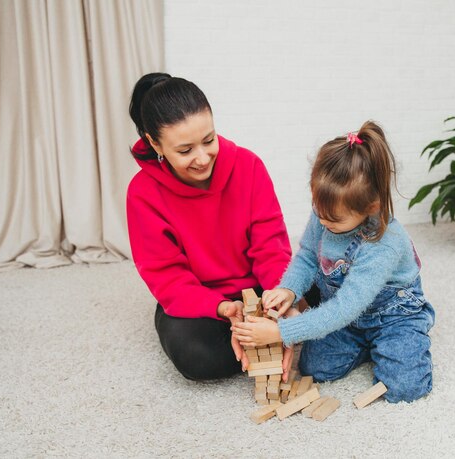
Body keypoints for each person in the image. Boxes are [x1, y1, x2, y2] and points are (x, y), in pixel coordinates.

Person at [232, 121, 436, 403]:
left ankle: (397, 339)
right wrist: (290, 290)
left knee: (405, 387)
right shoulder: (325, 211)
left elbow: (345, 307)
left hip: (392, 314)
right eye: (319, 212)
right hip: (349, 314)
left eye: (334, 220)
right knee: (314, 368)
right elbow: (306, 257)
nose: (323, 222)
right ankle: (366, 344)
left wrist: (280, 331)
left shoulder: (384, 242)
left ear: (371, 207)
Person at [126, 73, 292, 381]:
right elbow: (167, 276)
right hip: (202, 302)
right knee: (196, 358)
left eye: (208, 140)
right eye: (185, 150)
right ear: (154, 143)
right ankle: (260, 339)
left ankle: (268, 334)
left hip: (257, 289)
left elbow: (271, 246)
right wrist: (222, 309)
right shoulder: (142, 193)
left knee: (323, 286)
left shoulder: (248, 165)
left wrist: (277, 301)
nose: (202, 158)